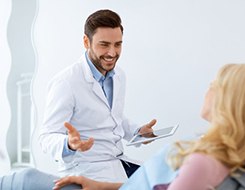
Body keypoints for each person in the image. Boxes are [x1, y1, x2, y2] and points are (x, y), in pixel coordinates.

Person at [0, 63, 245, 189]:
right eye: (105, 45)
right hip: (111, 180)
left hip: (115, 175)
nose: (208, 88)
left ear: (231, 101)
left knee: (22, 180)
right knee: (24, 179)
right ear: (87, 41)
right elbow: (111, 124)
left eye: (216, 84)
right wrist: (95, 183)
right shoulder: (215, 151)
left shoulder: (203, 161)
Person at [38, 9, 156, 183]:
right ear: (86, 41)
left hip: (117, 162)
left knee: (165, 178)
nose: (112, 53)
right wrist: (69, 144)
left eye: (118, 44)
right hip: (86, 170)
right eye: (104, 44)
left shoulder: (119, 76)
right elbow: (46, 137)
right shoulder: (67, 82)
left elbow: (113, 117)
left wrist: (138, 132)